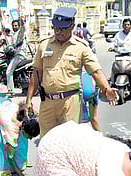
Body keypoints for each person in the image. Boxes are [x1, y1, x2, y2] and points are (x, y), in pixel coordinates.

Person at [25, 7, 117, 137]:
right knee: (46, 141)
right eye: (56, 28)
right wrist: (29, 99)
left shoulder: (81, 47)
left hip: (70, 101)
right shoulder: (44, 45)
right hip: (47, 102)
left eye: (63, 28)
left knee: (69, 140)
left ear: (72, 26)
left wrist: (106, 89)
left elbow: (95, 71)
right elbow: (36, 74)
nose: (59, 32)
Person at [5, 17, 30, 97]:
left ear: (18, 26)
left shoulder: (20, 33)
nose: (14, 27)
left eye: (16, 25)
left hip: (20, 55)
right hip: (16, 54)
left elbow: (23, 28)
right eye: (13, 25)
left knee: (8, 71)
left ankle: (10, 91)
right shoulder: (13, 35)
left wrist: (22, 21)